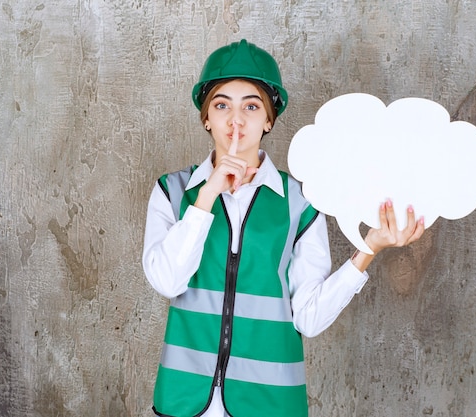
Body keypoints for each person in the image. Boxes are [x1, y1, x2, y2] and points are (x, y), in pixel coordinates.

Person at [142, 39, 425, 417]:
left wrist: (368, 249)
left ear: (269, 119)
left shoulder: (302, 202)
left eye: (252, 106)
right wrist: (207, 195)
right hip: (183, 399)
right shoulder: (172, 191)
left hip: (270, 404)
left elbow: (307, 318)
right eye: (222, 105)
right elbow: (167, 281)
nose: (236, 120)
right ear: (206, 117)